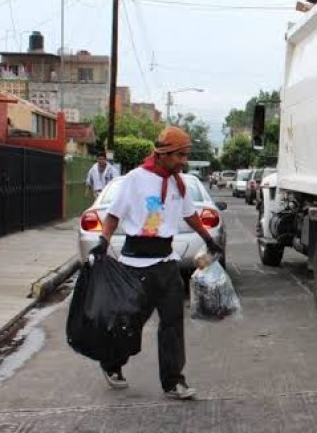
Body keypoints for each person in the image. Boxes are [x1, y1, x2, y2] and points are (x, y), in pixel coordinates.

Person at [89, 126, 223, 400]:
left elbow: (190, 215)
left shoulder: (179, 182)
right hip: (135, 263)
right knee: (131, 322)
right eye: (179, 155)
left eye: (186, 155)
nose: (183, 161)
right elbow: (114, 215)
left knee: (172, 322)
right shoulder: (134, 180)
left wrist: (208, 239)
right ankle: (112, 363)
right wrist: (103, 241)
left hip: (165, 261)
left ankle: (174, 381)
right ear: (163, 153)